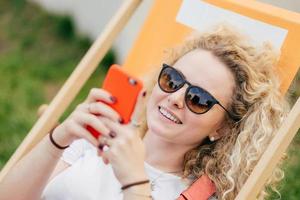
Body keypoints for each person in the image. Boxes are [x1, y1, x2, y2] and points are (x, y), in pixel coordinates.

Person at [0, 25, 289, 200]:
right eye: (173, 79)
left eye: (198, 99)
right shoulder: (98, 140)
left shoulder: (196, 194)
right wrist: (58, 139)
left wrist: (135, 180)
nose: (175, 97)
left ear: (222, 128)